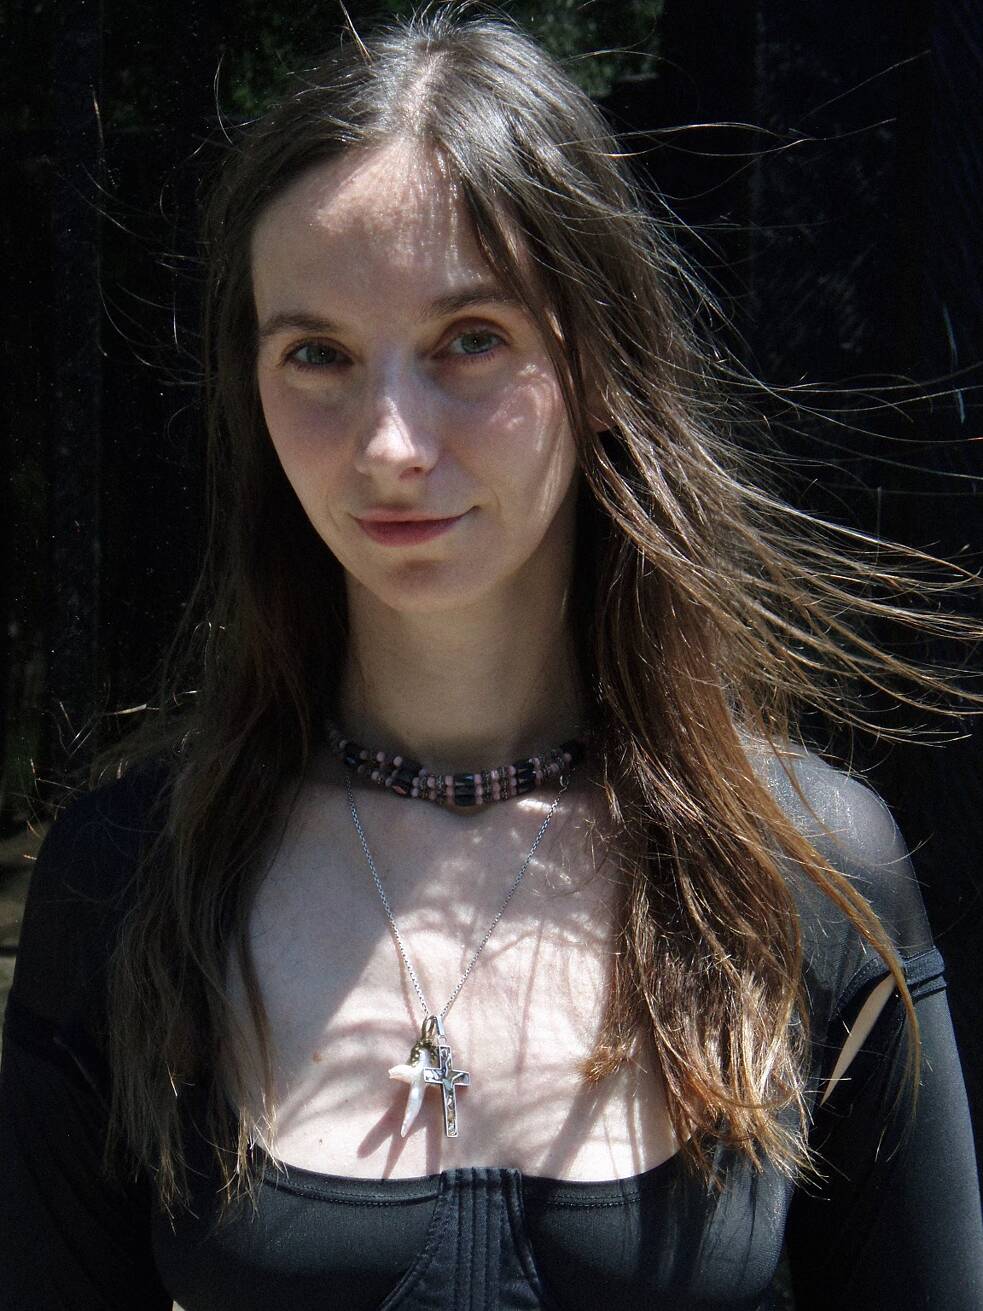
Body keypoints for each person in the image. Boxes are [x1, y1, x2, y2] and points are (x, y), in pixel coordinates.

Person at [2, 10, 981, 1309]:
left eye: (470, 338)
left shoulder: (802, 871)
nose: (391, 446)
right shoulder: (127, 879)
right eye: (318, 355)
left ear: (602, 362)